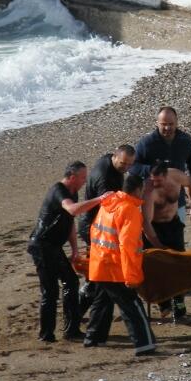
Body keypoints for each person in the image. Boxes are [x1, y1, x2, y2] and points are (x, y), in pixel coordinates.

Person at [132, 106, 191, 318]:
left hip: (176, 204)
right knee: (156, 258)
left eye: (171, 124)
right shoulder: (147, 143)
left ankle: (179, 302)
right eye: (163, 124)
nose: (167, 128)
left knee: (177, 256)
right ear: (157, 123)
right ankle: (163, 303)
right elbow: (134, 167)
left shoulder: (184, 140)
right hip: (153, 206)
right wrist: (155, 173)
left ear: (177, 123)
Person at [26, 161, 110, 343]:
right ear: (72, 177)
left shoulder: (73, 191)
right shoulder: (59, 190)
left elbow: (70, 220)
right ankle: (46, 334)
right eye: (82, 178)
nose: (84, 182)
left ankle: (71, 329)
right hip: (41, 245)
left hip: (54, 247)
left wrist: (74, 249)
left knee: (71, 282)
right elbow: (73, 209)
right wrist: (100, 199)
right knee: (50, 290)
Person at [84, 174, 157, 356]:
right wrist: (132, 277)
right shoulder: (129, 209)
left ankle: (93, 338)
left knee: (102, 302)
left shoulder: (108, 204)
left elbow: (94, 231)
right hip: (115, 267)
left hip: (99, 263)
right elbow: (128, 246)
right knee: (131, 305)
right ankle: (144, 344)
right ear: (138, 189)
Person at [76, 145, 136, 313]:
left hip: (97, 224)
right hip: (93, 226)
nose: (126, 168)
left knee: (97, 274)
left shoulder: (108, 159)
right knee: (97, 275)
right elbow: (110, 210)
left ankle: (81, 311)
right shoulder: (105, 179)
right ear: (115, 157)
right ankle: (78, 312)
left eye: (130, 165)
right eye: (123, 164)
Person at [143, 161, 191, 319]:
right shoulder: (148, 191)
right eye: (153, 180)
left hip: (173, 225)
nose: (155, 183)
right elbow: (146, 224)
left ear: (166, 175)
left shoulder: (176, 176)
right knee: (159, 267)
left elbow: (190, 183)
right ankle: (164, 303)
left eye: (159, 180)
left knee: (179, 264)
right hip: (156, 229)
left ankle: (179, 303)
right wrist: (158, 246)